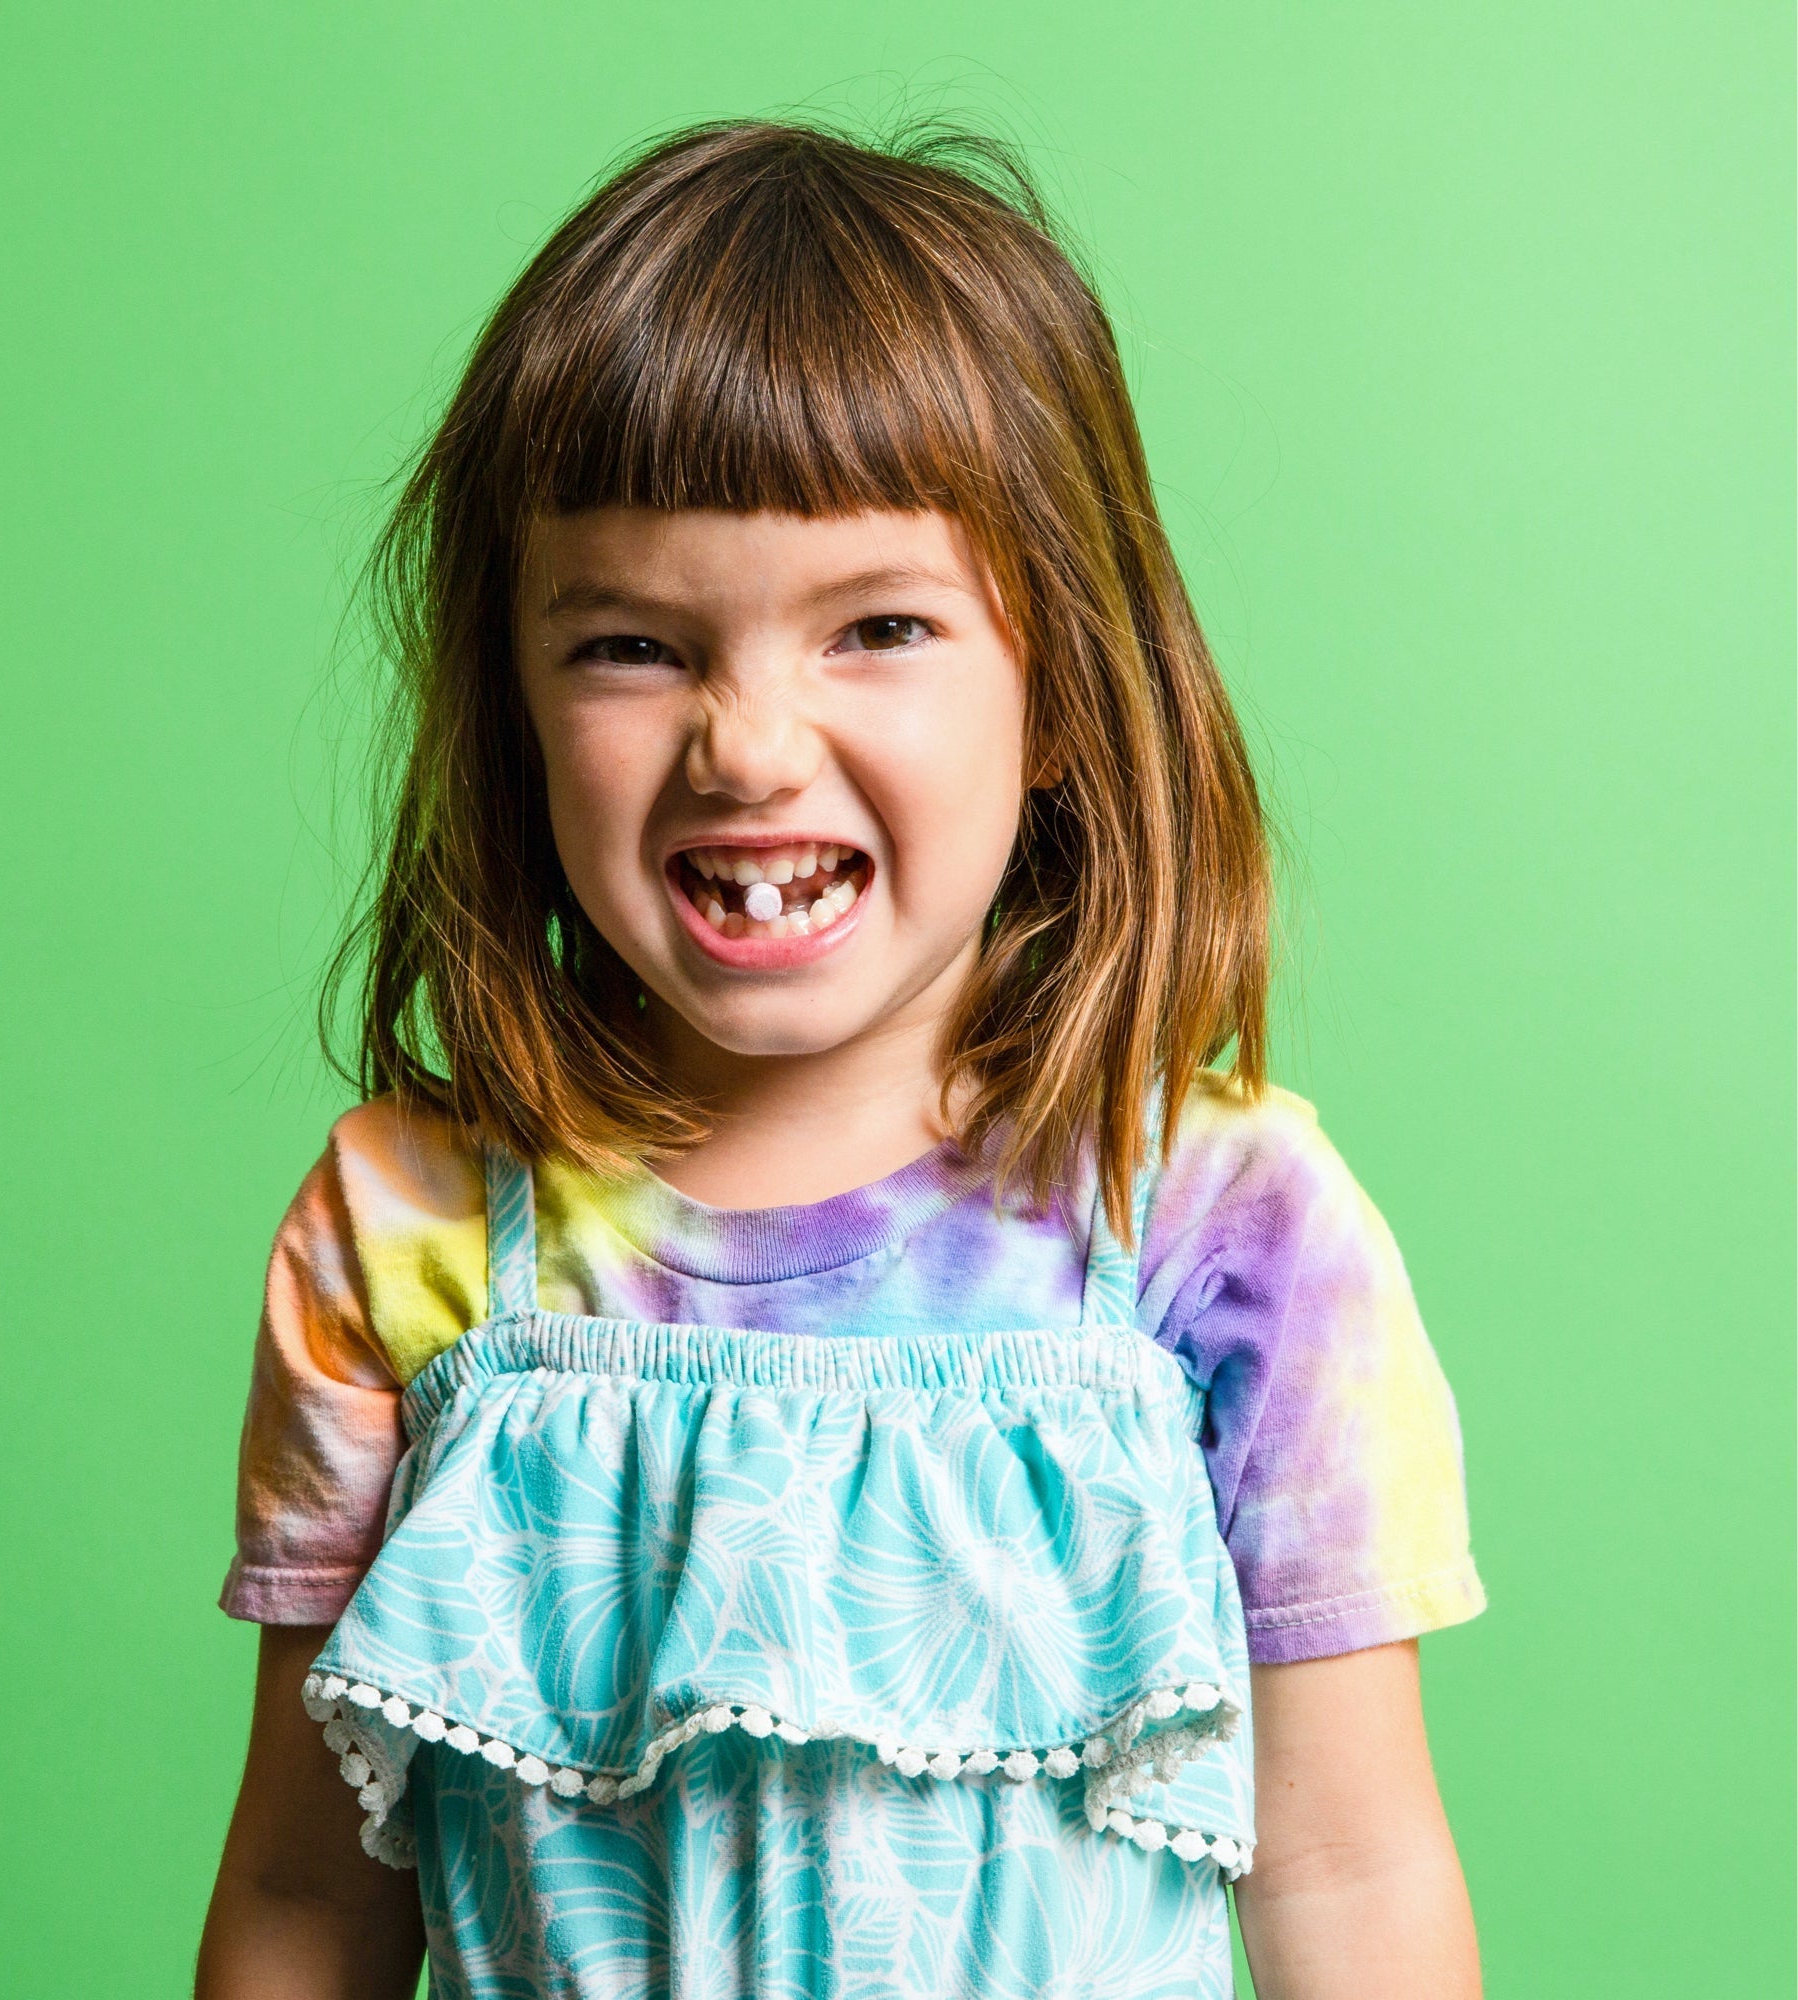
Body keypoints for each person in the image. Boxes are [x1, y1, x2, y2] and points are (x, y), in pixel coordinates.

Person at [195, 120, 1486, 2000]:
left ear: (1061, 692)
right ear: (516, 706)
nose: (745, 745)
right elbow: (312, 1898)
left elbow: (1349, 1881)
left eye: (879, 628)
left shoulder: (1230, 1234)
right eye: (633, 646)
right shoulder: (403, 1232)